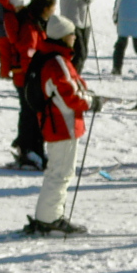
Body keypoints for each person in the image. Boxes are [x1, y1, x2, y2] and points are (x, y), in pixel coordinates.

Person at [24, 15, 99, 235]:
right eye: (72, 34)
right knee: (61, 172)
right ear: (64, 36)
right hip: (62, 124)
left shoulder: (52, 56)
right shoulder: (56, 61)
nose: (75, 38)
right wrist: (92, 102)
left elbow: (73, 86)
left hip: (56, 123)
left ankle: (48, 215)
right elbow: (71, 95)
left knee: (58, 170)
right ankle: (50, 219)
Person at [11, 0, 56, 170]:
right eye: (52, 9)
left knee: (30, 113)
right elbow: (27, 52)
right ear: (44, 9)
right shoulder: (30, 26)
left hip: (28, 78)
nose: (53, 12)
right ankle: (30, 150)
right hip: (27, 79)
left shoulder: (34, 21)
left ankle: (29, 148)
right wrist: (36, 75)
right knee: (33, 115)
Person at [55, 0, 94, 72]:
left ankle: (75, 78)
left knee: (84, 53)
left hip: (84, 20)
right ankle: (70, 78)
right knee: (78, 52)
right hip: (70, 19)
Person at [0, 0, 25, 80]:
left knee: (4, 55)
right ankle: (4, 74)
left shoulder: (1, 2)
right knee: (5, 55)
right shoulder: (8, 9)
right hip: (3, 34)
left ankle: (4, 73)